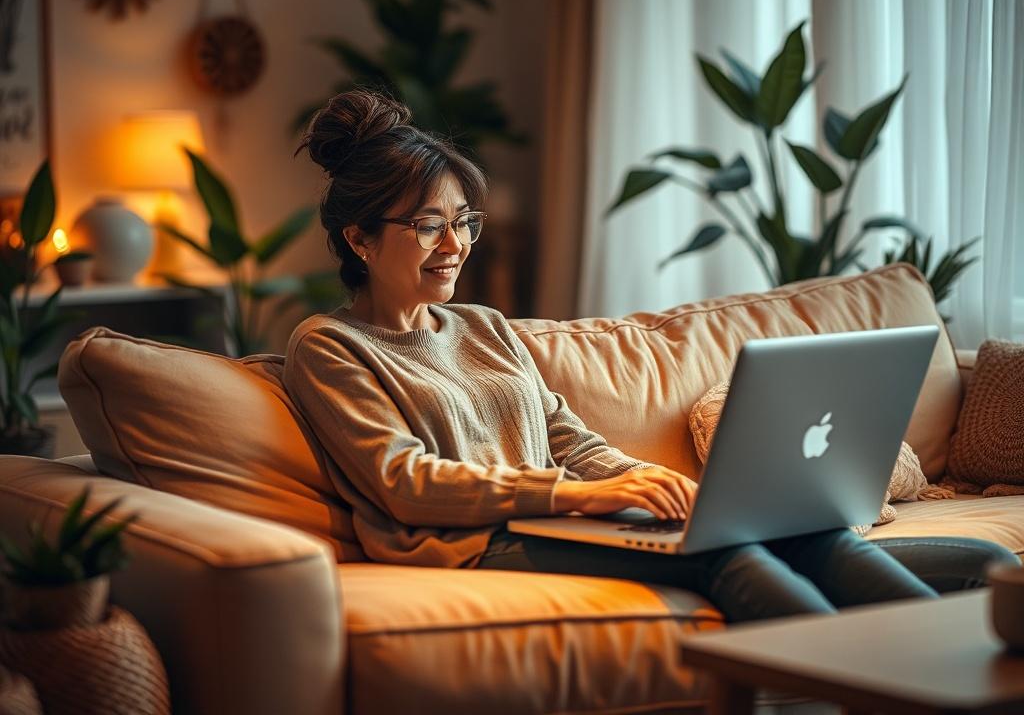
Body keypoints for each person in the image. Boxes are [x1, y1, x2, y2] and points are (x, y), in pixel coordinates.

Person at [283, 88, 1017, 624]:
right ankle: (879, 686)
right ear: (359, 238)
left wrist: (641, 478)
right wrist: (578, 497)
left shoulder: (481, 326)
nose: (456, 246)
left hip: (560, 518)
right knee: (725, 558)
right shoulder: (329, 346)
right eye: (427, 225)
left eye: (464, 222)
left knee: (824, 535)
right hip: (473, 542)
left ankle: (942, 683)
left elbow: (567, 436)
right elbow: (406, 482)